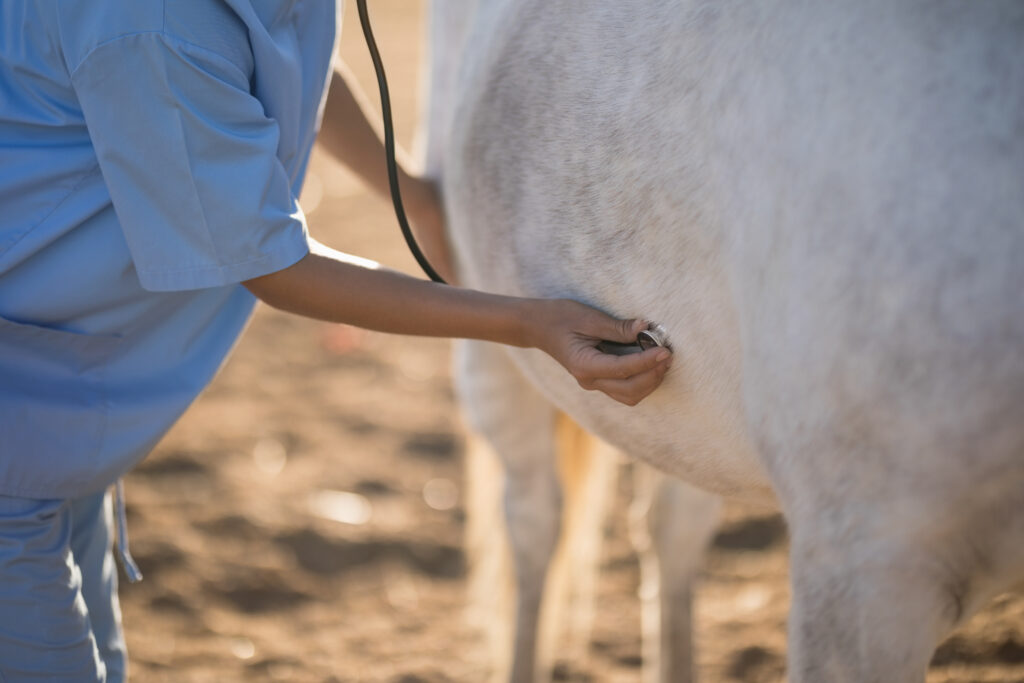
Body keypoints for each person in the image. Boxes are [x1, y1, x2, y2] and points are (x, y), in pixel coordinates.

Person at [0, 1, 672, 680]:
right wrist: (528, 322)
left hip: (63, 428)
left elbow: (290, 62)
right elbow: (273, 265)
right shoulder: (152, 25)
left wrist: (411, 193)